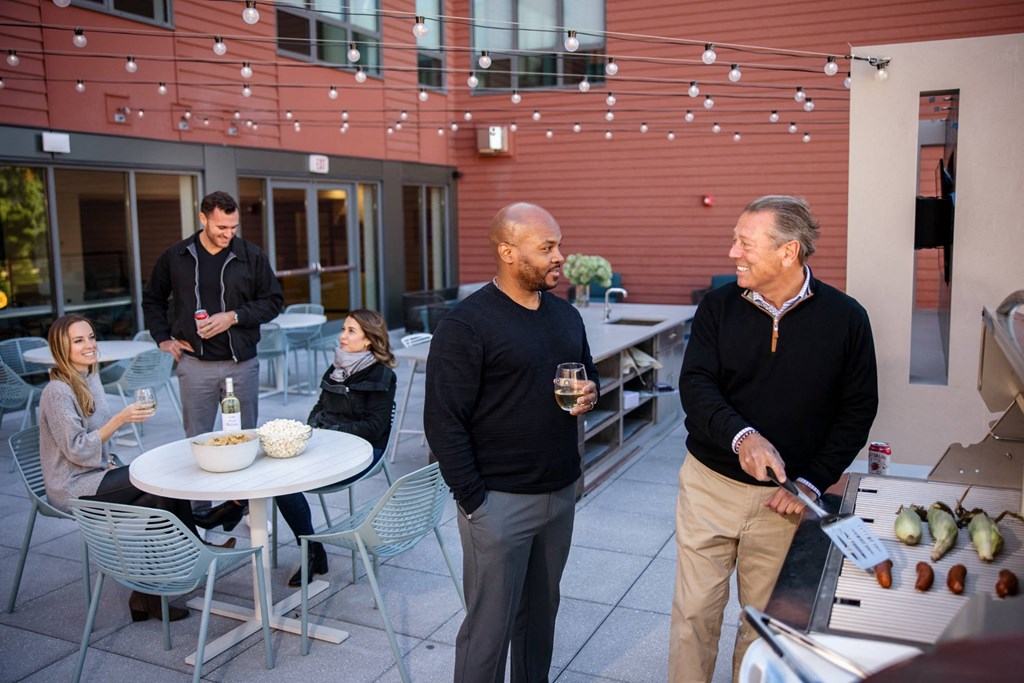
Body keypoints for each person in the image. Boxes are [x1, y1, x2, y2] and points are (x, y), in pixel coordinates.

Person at [668, 195, 879, 682]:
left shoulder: (847, 319)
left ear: (789, 251)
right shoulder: (717, 307)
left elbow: (857, 410)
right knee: (693, 617)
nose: (732, 253)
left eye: (744, 242)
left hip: (785, 503)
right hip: (708, 488)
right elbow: (696, 385)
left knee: (761, 627)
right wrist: (743, 437)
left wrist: (810, 483)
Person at [424, 203, 599, 683]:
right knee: (488, 632)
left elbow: (587, 371)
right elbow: (442, 422)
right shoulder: (466, 325)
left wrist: (591, 392)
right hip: (497, 504)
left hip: (560, 492)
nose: (559, 256)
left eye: (558, 244)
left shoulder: (565, 314)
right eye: (547, 248)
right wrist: (476, 503)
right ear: (507, 251)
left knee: (540, 621)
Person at [37, 314, 228, 623]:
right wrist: (119, 421)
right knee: (155, 481)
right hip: (73, 484)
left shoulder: (89, 376)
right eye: (78, 340)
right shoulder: (57, 391)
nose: (90, 345)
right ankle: (194, 539)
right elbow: (76, 450)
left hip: (97, 473)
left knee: (156, 496)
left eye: (91, 337)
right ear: (61, 347)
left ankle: (146, 596)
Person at [142, 190, 283, 531]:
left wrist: (233, 316)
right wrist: (162, 337)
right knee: (197, 442)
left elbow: (274, 301)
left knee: (247, 440)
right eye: (221, 226)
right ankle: (198, 513)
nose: (228, 233)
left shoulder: (251, 255)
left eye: (233, 227)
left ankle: (247, 508)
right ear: (203, 219)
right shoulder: (176, 256)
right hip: (195, 365)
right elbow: (153, 298)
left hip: (242, 364)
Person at [275, 308, 398, 587]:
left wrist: (333, 432)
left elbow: (375, 427)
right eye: (343, 329)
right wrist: (311, 428)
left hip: (363, 451)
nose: (342, 336)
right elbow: (320, 406)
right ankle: (313, 550)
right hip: (328, 444)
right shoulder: (337, 368)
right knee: (278, 477)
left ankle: (309, 551)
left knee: (284, 481)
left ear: (368, 339)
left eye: (351, 331)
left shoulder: (382, 375)